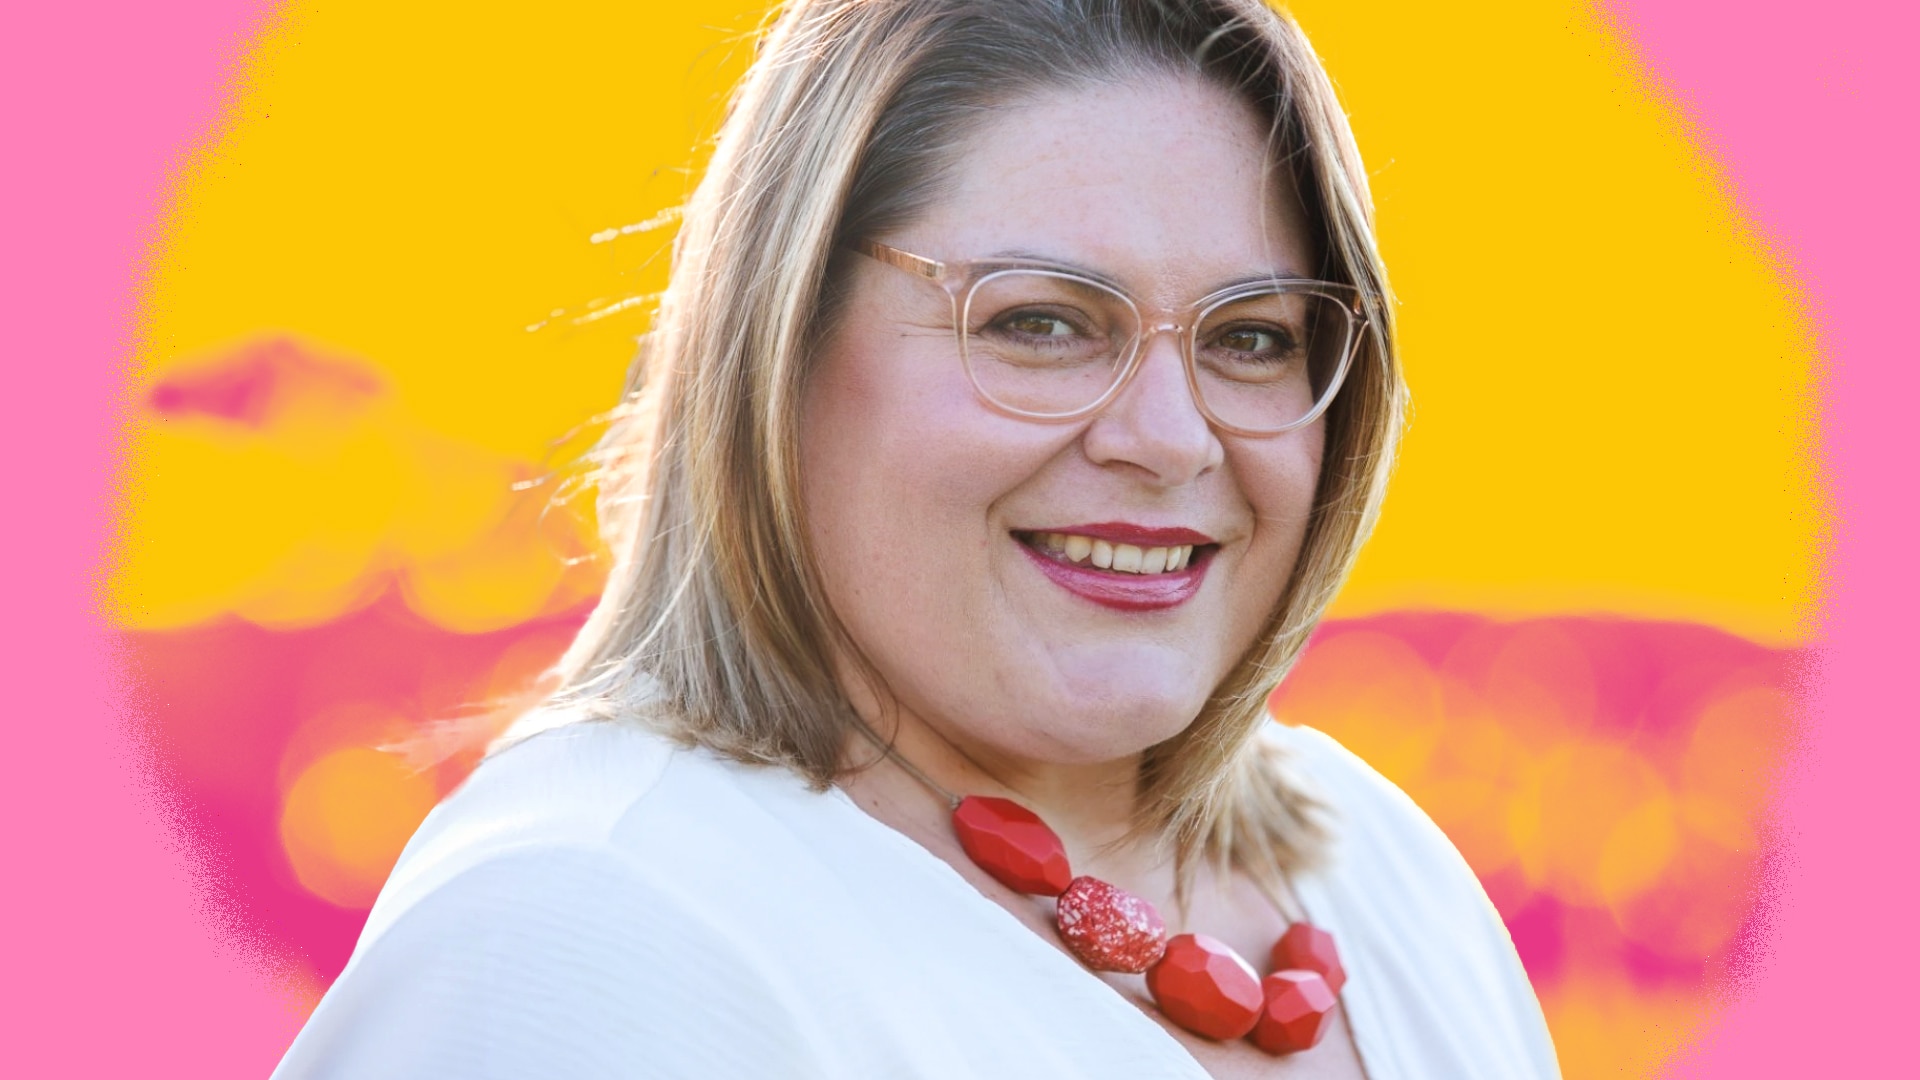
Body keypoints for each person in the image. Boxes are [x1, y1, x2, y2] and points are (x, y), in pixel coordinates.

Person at [272, 1, 1558, 1076]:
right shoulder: (584, 943)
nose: (1171, 438)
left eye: (1251, 337)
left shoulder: (1372, 865)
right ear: (778, 346)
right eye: (1041, 322)